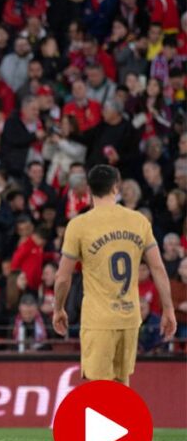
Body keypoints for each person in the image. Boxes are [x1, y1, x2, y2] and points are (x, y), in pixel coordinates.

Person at [54, 165, 176, 385]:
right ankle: (122, 421)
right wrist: (168, 309)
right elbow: (158, 268)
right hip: (129, 318)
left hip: (99, 320)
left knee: (98, 388)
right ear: (116, 187)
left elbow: (63, 277)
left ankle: (104, 421)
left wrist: (58, 309)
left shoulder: (79, 225)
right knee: (121, 385)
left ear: (89, 189)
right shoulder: (138, 221)